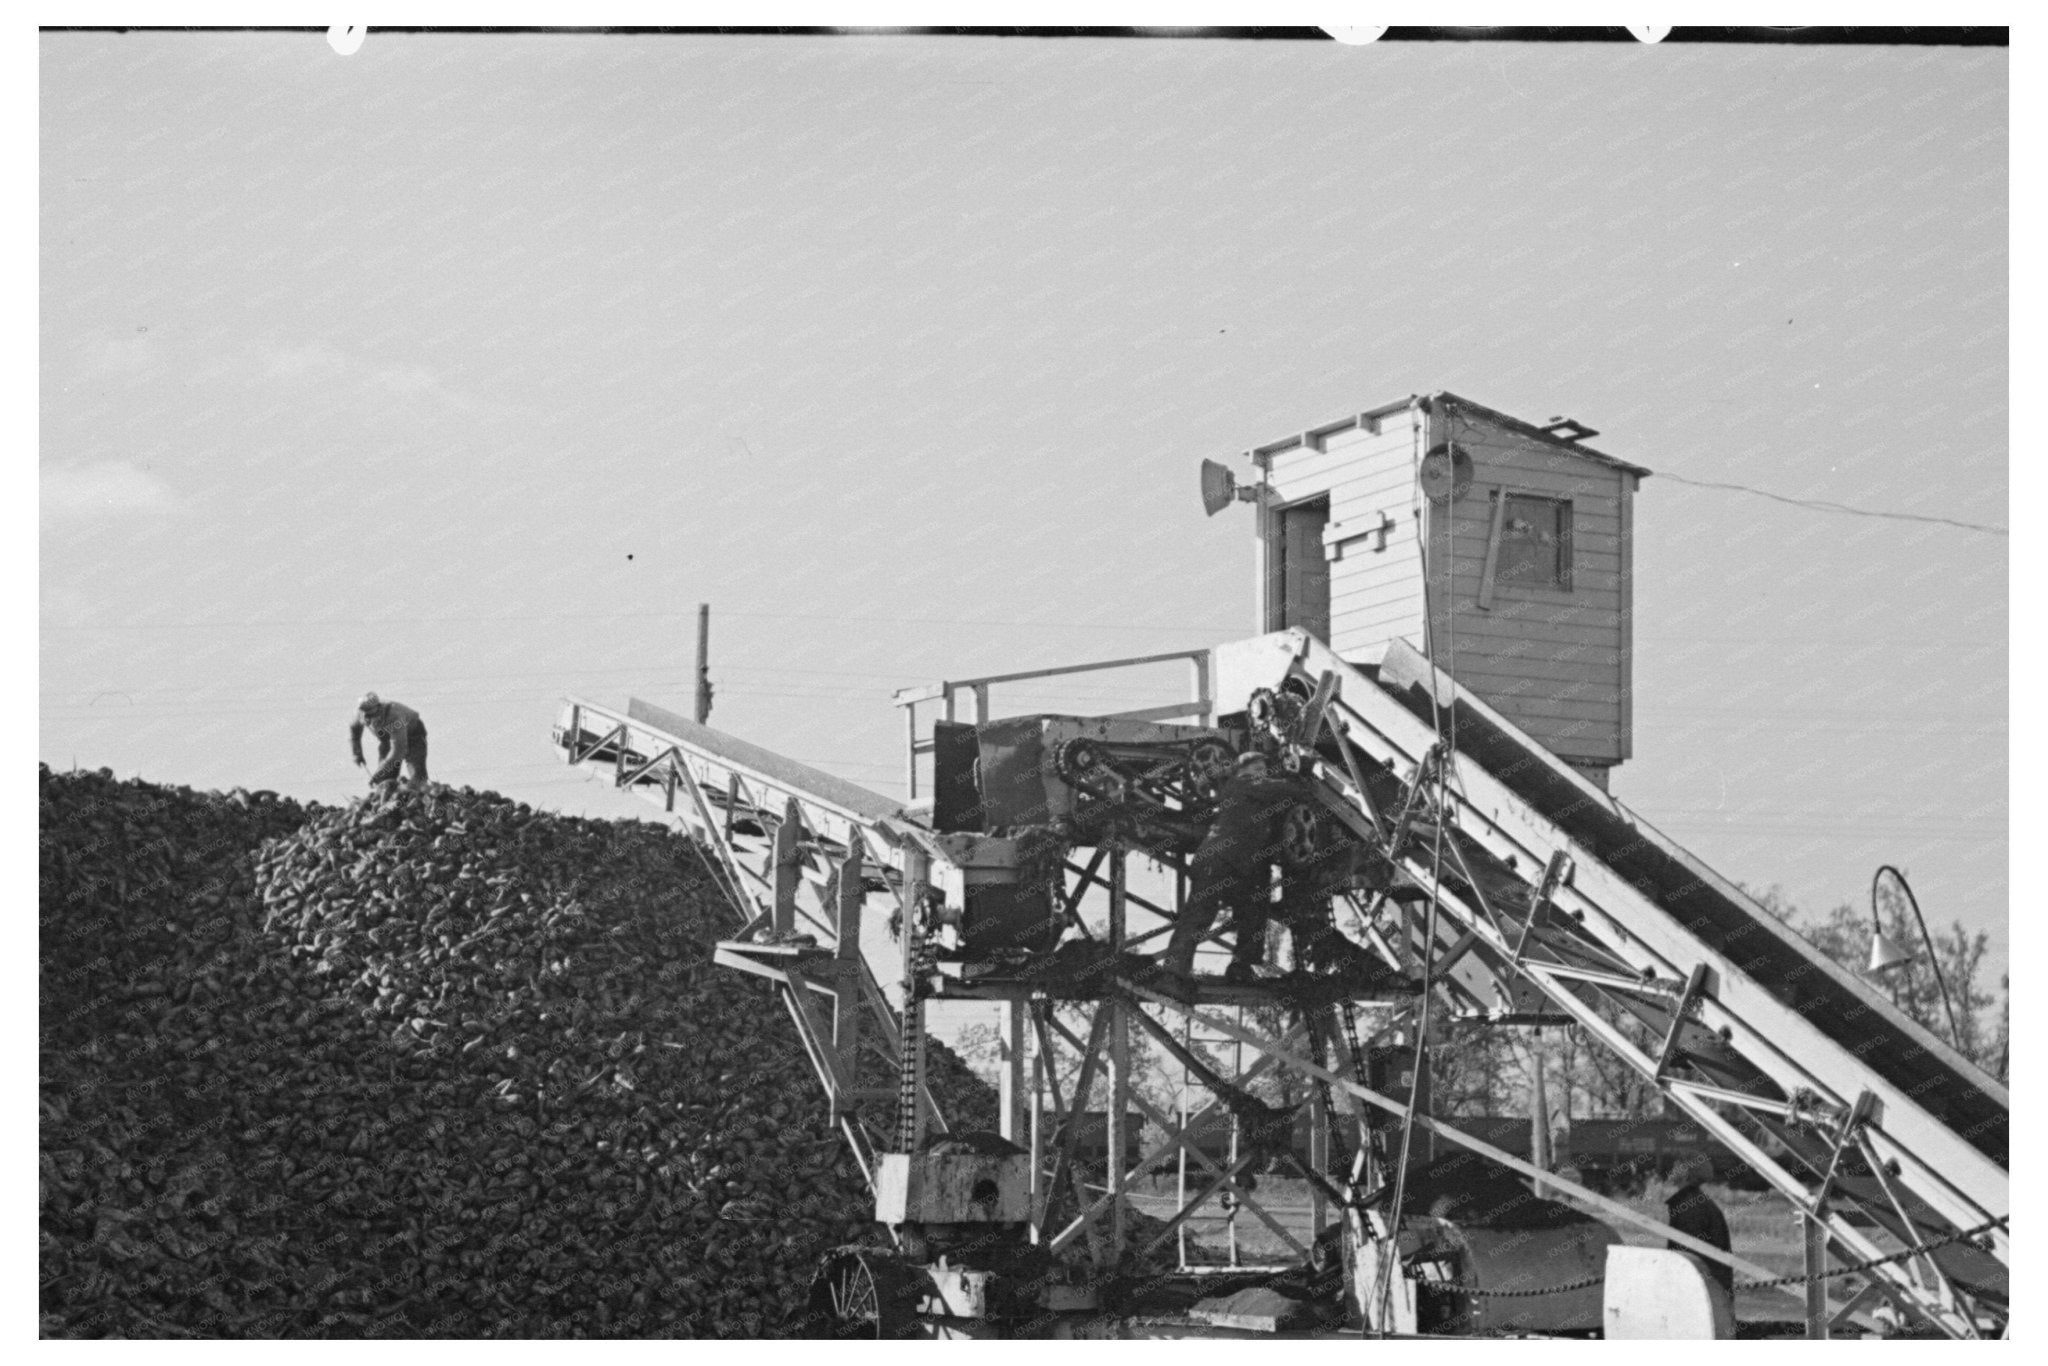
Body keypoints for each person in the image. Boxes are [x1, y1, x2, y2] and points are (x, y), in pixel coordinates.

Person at [1158, 749, 1301, 982]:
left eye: (1264, 770)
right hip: (1218, 860)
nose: (1261, 774)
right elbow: (1286, 789)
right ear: (1241, 771)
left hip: (1239, 864)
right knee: (1200, 914)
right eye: (1257, 769)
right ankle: (1173, 974)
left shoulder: (1252, 794)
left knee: (1254, 912)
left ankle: (1241, 968)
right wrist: (1301, 777)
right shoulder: (1241, 784)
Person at [350, 692, 429, 789]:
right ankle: (389, 797)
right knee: (384, 781)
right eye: (366, 715)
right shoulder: (361, 714)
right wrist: (357, 753)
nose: (369, 718)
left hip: (413, 734)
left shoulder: (394, 717)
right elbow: (354, 731)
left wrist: (379, 772)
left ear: (378, 708)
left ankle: (419, 794)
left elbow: (398, 751)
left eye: (372, 714)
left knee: (416, 776)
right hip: (387, 739)